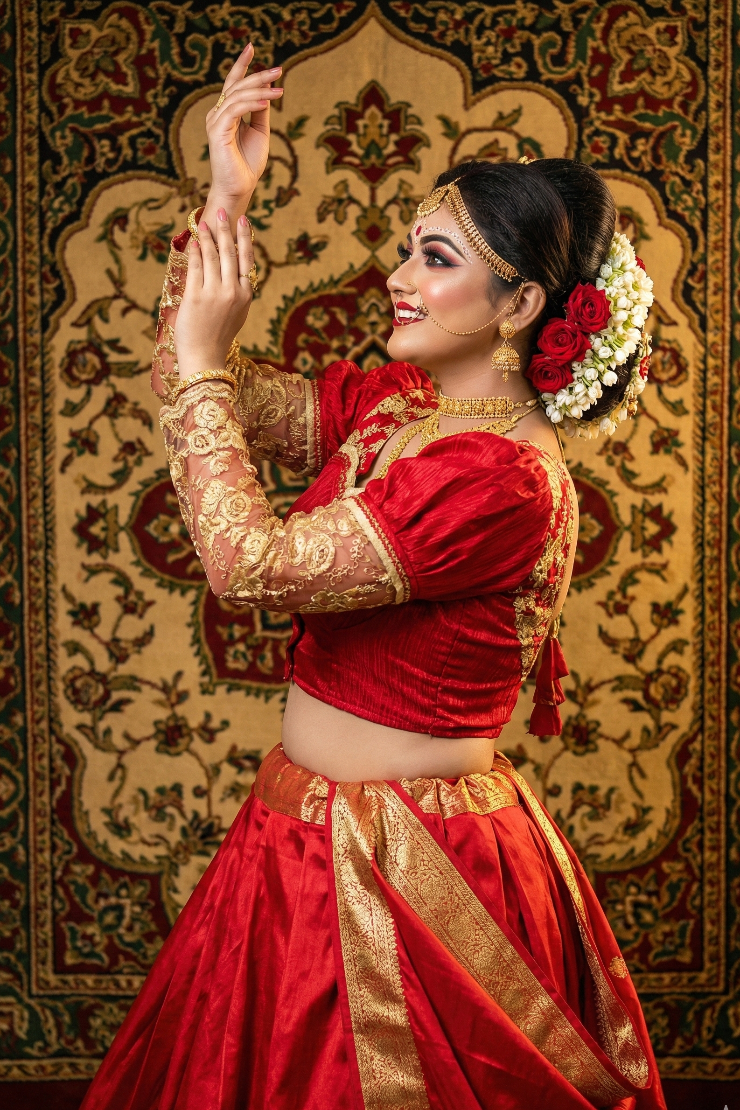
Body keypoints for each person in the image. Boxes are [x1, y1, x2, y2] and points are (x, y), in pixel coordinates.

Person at [81, 44, 664, 1110]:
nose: (396, 276)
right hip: (294, 837)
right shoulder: (401, 408)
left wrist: (210, 356)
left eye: (433, 257)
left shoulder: (496, 480)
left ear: (519, 302)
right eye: (409, 249)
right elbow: (189, 378)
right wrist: (225, 195)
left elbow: (248, 568)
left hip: (412, 866)